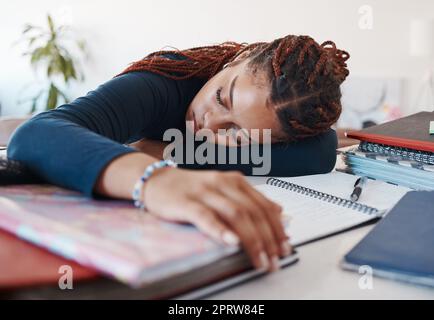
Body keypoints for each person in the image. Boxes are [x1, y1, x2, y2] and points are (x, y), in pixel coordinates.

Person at [7, 34, 349, 272]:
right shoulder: (160, 84)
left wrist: (173, 152)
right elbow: (35, 136)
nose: (210, 125)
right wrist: (154, 179)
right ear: (237, 59)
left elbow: (321, 151)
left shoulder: (275, 136)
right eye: (221, 98)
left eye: (237, 134)